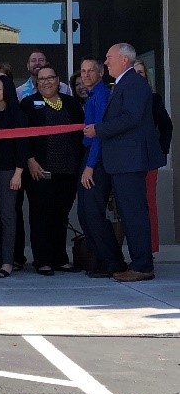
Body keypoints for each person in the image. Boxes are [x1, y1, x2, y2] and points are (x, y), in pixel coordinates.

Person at [85, 43, 165, 282]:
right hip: (122, 161)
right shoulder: (122, 83)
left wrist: (99, 129)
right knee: (129, 213)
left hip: (130, 160)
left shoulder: (134, 83)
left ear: (124, 60)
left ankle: (142, 266)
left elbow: (130, 118)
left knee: (134, 213)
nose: (106, 62)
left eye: (109, 58)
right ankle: (139, 262)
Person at [20, 64, 84, 275]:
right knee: (41, 215)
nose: (47, 82)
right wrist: (30, 159)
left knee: (60, 214)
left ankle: (60, 258)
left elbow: (80, 135)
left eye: (51, 78)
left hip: (67, 170)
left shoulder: (72, 104)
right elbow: (24, 136)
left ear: (58, 81)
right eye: (42, 79)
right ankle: (43, 260)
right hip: (40, 169)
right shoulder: (28, 104)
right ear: (36, 83)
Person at [77, 57, 127, 278]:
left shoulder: (102, 96)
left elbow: (99, 135)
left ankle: (113, 262)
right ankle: (100, 259)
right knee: (85, 213)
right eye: (83, 71)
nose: (86, 75)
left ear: (100, 73)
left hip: (97, 160)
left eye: (90, 71)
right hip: (89, 157)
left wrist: (90, 166)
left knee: (93, 213)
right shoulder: (92, 96)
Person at [0, 74, 27, 278]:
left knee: (8, 216)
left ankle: (8, 262)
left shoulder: (16, 114)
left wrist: (18, 172)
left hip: (9, 171)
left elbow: (22, 146)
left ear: (6, 90)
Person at [133, 59, 172, 254]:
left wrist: (160, 150)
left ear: (146, 77)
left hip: (149, 160)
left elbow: (166, 126)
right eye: (134, 72)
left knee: (148, 204)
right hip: (127, 160)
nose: (137, 75)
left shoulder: (153, 98)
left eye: (141, 72)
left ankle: (151, 248)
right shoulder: (121, 97)